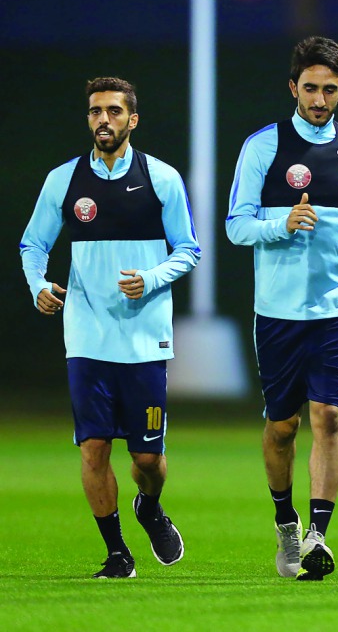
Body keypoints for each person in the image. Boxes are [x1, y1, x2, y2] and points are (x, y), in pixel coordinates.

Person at [19, 77, 201, 578]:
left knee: (147, 460)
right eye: (96, 111)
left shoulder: (161, 178)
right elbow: (32, 244)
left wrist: (150, 277)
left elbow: (188, 249)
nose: (104, 119)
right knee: (94, 447)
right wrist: (38, 283)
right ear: (89, 119)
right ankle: (117, 553)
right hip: (87, 335)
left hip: (144, 338)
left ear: (132, 119)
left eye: (115, 112)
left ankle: (151, 507)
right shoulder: (64, 180)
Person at [227, 37, 338, 581]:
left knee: (329, 416)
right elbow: (236, 226)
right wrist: (279, 226)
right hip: (279, 313)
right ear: (293, 88)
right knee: (282, 426)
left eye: (329, 89)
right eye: (310, 88)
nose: (319, 98)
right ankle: (285, 523)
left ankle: (317, 535)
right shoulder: (264, 147)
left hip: (337, 310)